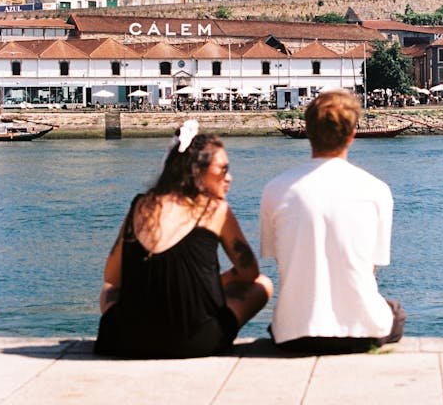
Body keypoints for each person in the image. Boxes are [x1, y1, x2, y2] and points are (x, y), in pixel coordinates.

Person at [96, 120, 272, 358]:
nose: (228, 177)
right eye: (222, 169)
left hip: (126, 339)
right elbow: (249, 273)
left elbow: (112, 278)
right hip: (197, 340)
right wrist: (217, 283)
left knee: (107, 292)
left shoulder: (140, 205)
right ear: (197, 170)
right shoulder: (215, 209)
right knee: (263, 284)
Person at [260, 90, 405, 352]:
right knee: (396, 311)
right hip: (360, 331)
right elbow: (371, 267)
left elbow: (281, 259)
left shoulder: (275, 189)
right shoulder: (376, 190)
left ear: (307, 131)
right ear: (352, 135)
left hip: (293, 332)